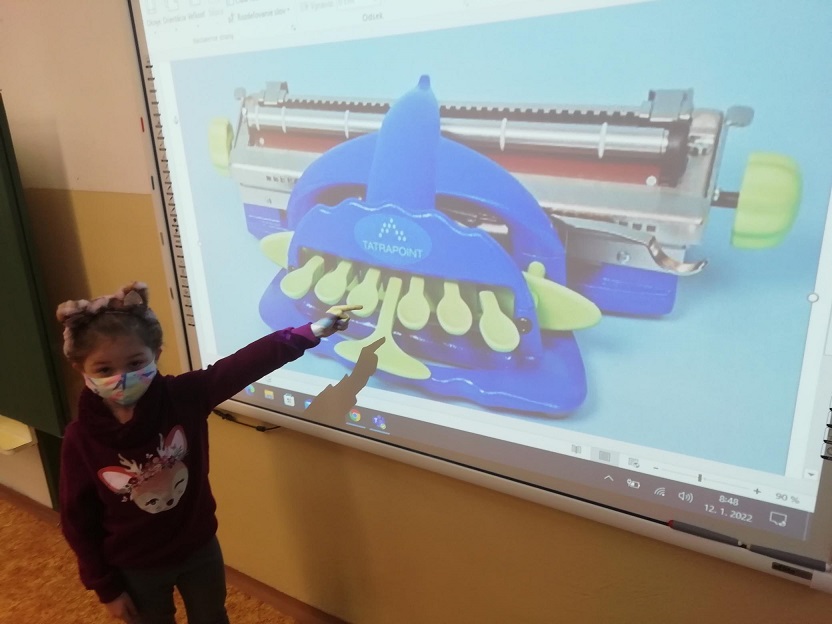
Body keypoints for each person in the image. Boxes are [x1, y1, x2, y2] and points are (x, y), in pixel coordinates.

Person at [56, 281, 360, 624]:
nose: (122, 378)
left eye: (135, 362)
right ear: (81, 369)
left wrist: (310, 332)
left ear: (156, 354)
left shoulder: (184, 396)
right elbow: (77, 521)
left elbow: (244, 364)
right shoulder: (80, 439)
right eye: (104, 370)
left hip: (198, 549)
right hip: (135, 566)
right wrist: (106, 587)